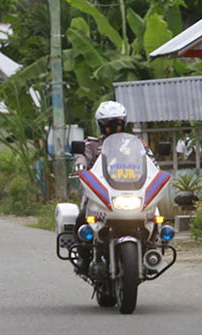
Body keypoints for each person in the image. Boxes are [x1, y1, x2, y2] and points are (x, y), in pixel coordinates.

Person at [73, 101, 135, 275]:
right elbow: (82, 157)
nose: (112, 128)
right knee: (81, 217)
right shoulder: (91, 145)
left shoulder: (135, 145)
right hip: (98, 194)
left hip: (130, 191)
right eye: (107, 124)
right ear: (100, 126)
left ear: (123, 124)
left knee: (154, 216)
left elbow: (148, 159)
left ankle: (154, 245)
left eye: (117, 124)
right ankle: (83, 257)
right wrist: (80, 166)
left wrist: (155, 165)